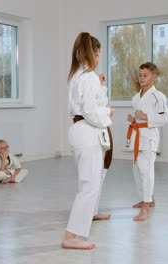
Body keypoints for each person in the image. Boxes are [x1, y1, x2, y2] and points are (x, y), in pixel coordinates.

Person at [61, 32, 115, 250]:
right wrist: (108, 112)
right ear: (95, 52)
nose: (100, 55)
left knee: (88, 185)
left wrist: (100, 88)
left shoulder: (77, 75)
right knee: (88, 187)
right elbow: (92, 111)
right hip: (87, 131)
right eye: (99, 52)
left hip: (79, 130)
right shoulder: (88, 76)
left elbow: (87, 104)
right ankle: (70, 236)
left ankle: (76, 230)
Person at [126, 62, 168, 221]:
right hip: (137, 136)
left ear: (154, 76)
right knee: (137, 171)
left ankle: (145, 207)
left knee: (146, 171)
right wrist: (133, 119)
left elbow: (165, 118)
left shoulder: (159, 96)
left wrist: (145, 117)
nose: (142, 78)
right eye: (140, 75)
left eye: (145, 75)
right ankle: (149, 199)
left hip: (149, 138)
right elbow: (137, 114)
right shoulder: (136, 97)